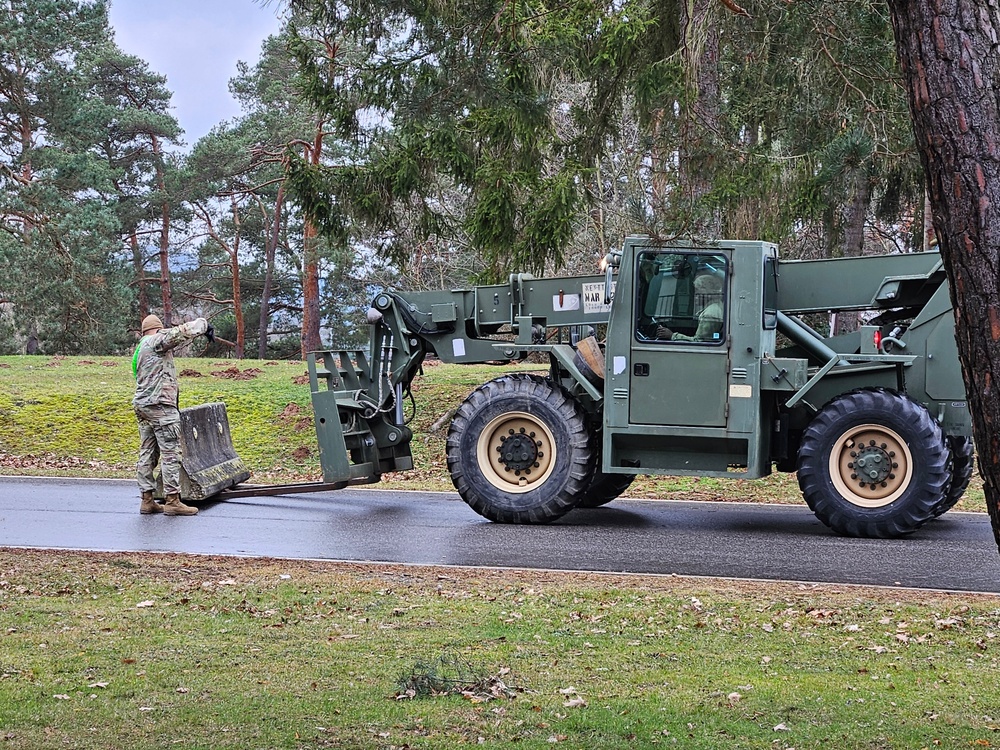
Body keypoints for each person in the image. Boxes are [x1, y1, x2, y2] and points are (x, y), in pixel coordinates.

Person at [132, 313, 214, 516]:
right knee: (170, 453)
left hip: (143, 405)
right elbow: (180, 332)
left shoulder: (140, 347)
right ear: (158, 329)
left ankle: (147, 499)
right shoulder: (156, 341)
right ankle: (172, 500)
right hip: (160, 405)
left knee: (147, 452)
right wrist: (203, 325)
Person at [656, 272, 725, 342]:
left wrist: (672, 335)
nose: (695, 297)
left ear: (707, 294)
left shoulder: (709, 315)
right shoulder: (718, 306)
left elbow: (699, 342)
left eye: (697, 293)